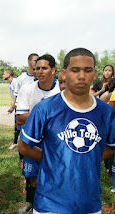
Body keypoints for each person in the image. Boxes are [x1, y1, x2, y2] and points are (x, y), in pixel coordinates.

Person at [18, 48, 115, 214]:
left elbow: (111, 146)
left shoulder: (105, 112)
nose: (82, 76)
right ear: (64, 73)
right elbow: (24, 146)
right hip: (49, 203)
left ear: (95, 73)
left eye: (88, 70)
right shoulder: (45, 108)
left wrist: (85, 157)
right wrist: (55, 159)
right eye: (75, 70)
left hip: (89, 203)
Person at [16, 54, 60, 213]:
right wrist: (44, 115)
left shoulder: (61, 89)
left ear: (53, 70)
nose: (40, 71)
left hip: (56, 140)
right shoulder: (27, 89)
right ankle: (32, 204)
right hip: (33, 140)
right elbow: (20, 118)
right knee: (33, 177)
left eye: (44, 68)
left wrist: (37, 116)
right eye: (37, 68)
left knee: (55, 175)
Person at [10, 54, 39, 153]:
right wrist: (14, 107)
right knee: (23, 132)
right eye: (35, 60)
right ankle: (20, 151)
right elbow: (16, 96)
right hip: (23, 110)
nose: (36, 62)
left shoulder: (41, 77)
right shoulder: (21, 79)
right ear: (29, 61)